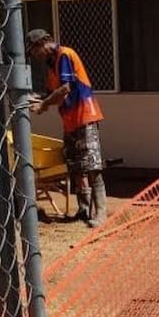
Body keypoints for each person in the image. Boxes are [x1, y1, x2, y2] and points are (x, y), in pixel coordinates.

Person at [26, 29, 107, 226]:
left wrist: (43, 104)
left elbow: (65, 89)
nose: (35, 55)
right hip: (70, 121)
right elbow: (51, 92)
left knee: (91, 166)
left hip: (85, 116)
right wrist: (36, 99)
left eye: (36, 49)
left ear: (45, 42)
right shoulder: (52, 65)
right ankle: (84, 210)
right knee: (75, 167)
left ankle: (101, 214)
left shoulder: (65, 55)